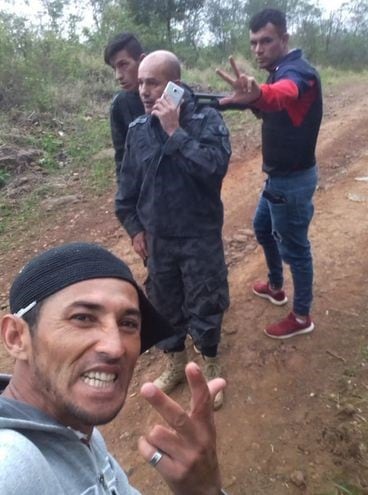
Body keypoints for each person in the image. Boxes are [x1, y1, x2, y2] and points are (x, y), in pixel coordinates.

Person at [0, 242, 228, 495]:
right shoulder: (12, 467)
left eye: (128, 323)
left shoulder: (79, 431)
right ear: (16, 337)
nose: (115, 347)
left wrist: (203, 490)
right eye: (82, 318)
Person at [115, 50, 231, 410]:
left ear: (176, 86)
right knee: (163, 304)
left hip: (199, 236)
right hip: (159, 241)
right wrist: (135, 229)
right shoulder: (138, 131)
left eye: (153, 82)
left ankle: (209, 361)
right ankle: (176, 362)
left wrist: (174, 132)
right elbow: (127, 191)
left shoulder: (206, 121)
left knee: (206, 300)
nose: (143, 90)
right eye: (141, 83)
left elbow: (214, 168)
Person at [216, 8, 322, 339]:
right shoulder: (277, 70)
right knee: (262, 227)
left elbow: (282, 95)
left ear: (284, 39)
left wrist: (259, 94)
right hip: (277, 179)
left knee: (296, 249)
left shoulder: (298, 74)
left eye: (266, 41)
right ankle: (276, 286)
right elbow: (270, 106)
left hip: (292, 182)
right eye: (254, 43)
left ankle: (302, 315)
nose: (259, 49)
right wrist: (229, 102)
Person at [104, 32, 145, 182]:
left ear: (142, 61)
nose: (118, 76)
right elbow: (122, 158)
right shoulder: (120, 105)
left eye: (123, 65)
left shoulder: (174, 92)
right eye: (114, 68)